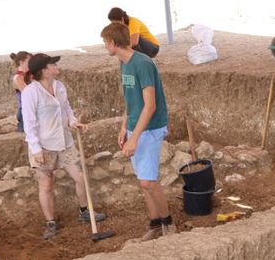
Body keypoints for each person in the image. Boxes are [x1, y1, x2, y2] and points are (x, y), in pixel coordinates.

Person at [102, 21, 174, 240]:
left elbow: (150, 106)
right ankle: (155, 224)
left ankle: (169, 225)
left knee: (148, 182)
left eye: (106, 42)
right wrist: (125, 126)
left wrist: (134, 138)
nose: (105, 46)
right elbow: (130, 100)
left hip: (150, 128)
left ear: (113, 42)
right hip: (136, 126)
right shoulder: (124, 64)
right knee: (144, 180)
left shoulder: (142, 64)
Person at [19, 53, 104, 239]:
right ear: (44, 70)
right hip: (43, 146)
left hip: (65, 142)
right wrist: (36, 149)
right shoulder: (30, 92)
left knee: (81, 177)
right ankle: (50, 222)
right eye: (53, 64)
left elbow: (67, 109)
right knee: (46, 184)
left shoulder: (59, 86)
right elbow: (29, 123)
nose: (57, 66)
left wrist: (73, 122)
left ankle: (84, 211)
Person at [10, 51, 31, 131]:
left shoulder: (29, 76)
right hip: (25, 112)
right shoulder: (18, 78)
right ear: (21, 62)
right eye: (29, 61)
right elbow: (29, 94)